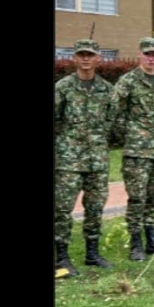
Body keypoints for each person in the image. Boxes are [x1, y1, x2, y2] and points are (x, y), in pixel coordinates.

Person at [111, 37, 154, 261]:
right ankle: (136, 244)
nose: (151, 58)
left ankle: (153, 241)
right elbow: (115, 113)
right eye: (147, 54)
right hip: (137, 152)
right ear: (140, 54)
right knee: (137, 198)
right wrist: (131, 136)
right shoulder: (128, 81)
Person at [54, 39, 115, 275]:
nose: (86, 59)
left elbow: (111, 119)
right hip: (68, 160)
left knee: (95, 206)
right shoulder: (63, 87)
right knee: (62, 208)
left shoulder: (106, 89)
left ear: (98, 58)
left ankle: (92, 253)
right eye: (81, 55)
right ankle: (61, 257)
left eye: (90, 55)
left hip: (97, 159)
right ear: (74, 58)